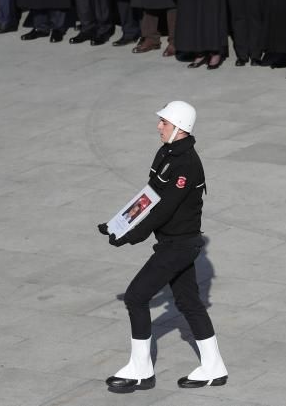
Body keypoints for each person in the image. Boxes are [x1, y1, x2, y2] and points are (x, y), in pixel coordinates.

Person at [100, 101, 228, 391]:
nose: (159, 126)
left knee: (135, 296)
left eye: (165, 123)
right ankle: (214, 366)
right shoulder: (167, 153)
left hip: (179, 245)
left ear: (180, 128)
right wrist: (118, 223)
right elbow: (149, 196)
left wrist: (132, 235)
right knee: (188, 302)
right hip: (172, 243)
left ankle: (141, 370)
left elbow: (165, 208)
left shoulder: (187, 164)